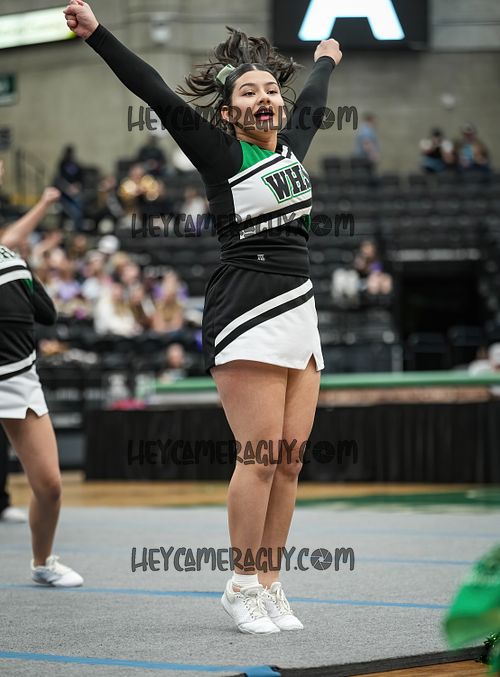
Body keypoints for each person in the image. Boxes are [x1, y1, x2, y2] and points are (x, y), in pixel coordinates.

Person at [65, 0, 341, 634]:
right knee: (260, 456)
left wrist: (325, 60)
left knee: (290, 460)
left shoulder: (290, 150)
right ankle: (240, 583)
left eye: (270, 89)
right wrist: (99, 33)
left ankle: (269, 582)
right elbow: (156, 92)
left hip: (300, 309)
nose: (265, 97)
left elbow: (313, 103)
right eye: (249, 91)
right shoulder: (221, 154)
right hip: (247, 309)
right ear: (228, 113)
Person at [0, 161, 83, 585]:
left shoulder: (12, 259)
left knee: (49, 485)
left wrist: (27, 270)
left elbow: (47, 314)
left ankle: (42, 562)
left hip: (18, 379)